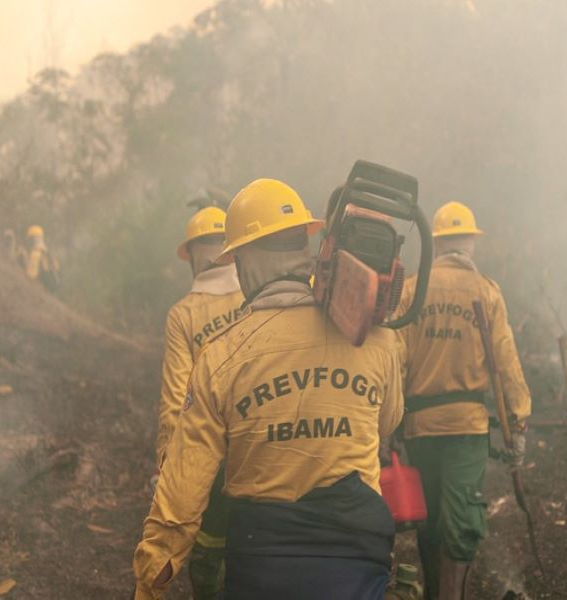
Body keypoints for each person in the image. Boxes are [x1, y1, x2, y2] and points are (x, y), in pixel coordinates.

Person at [133, 178, 405, 600]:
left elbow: (181, 498)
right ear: (306, 246)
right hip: (355, 561)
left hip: (262, 565)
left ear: (243, 261)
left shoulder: (220, 357)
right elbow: (388, 419)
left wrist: (149, 583)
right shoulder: (373, 338)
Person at [394, 201, 531, 600]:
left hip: (419, 427)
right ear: (470, 242)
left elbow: (395, 361)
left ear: (436, 244)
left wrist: (389, 423)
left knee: (429, 518)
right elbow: (506, 361)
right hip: (465, 430)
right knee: (461, 523)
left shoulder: (411, 291)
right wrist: (518, 421)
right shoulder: (485, 292)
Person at [156, 205, 244, 599]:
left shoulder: (183, 315)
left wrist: (168, 463)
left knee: (209, 545)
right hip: (266, 440)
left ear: (192, 256)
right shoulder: (260, 293)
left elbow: (177, 396)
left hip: (211, 450)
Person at [24, 225, 59, 292]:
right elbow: (56, 269)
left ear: (34, 239)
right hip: (50, 287)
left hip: (38, 286)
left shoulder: (36, 254)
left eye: (30, 239)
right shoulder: (48, 253)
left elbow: (31, 275)